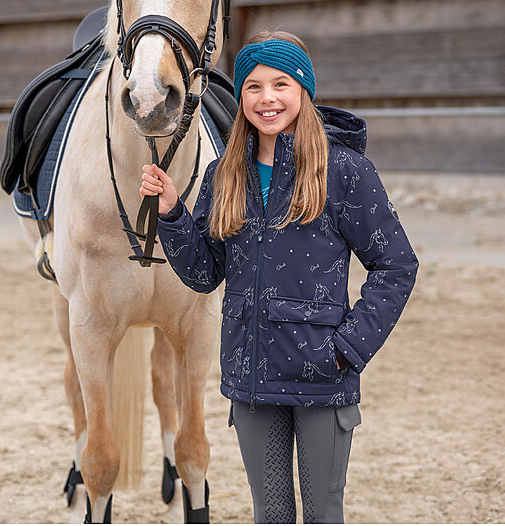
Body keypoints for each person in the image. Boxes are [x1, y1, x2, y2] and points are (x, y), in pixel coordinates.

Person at [139, 30, 419, 524]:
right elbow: (205, 272)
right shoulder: (225, 172)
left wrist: (347, 349)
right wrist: (172, 214)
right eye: (253, 87)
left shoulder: (345, 171)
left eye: (281, 84)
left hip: (322, 380)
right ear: (240, 96)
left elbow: (396, 265)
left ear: (304, 90)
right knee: (269, 514)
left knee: (323, 514)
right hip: (251, 383)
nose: (267, 98)